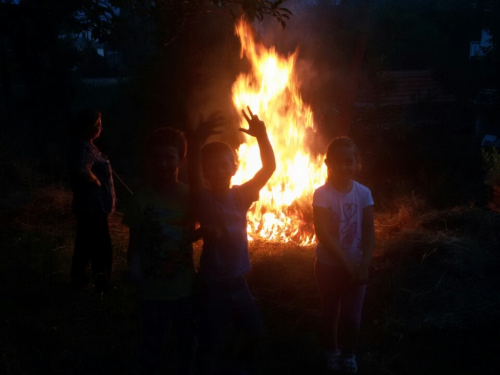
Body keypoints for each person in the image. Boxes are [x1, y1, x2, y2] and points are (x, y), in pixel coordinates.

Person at [188, 108, 276, 375]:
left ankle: (238, 367)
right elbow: (192, 171)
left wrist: (261, 135)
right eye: (211, 165)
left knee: (255, 332)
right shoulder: (202, 198)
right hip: (212, 286)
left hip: (239, 284)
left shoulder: (242, 195)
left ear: (234, 167)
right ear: (204, 170)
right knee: (209, 342)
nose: (218, 170)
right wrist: (196, 141)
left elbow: (269, 168)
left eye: (224, 164)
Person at [122, 127, 198, 375]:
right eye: (157, 157)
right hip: (152, 291)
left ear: (182, 161)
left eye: (170, 158)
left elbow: (197, 232)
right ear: (148, 160)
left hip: (185, 289)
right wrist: (133, 267)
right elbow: (135, 242)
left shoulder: (191, 197)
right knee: (152, 344)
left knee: (187, 344)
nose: (163, 164)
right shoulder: (140, 200)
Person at [312, 137, 375, 374]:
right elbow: (322, 233)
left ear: (356, 162)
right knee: (330, 313)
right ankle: (332, 350)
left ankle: (349, 354)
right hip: (328, 267)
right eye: (338, 162)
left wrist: (363, 265)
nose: (344, 167)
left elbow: (369, 231)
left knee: (352, 318)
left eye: (349, 161)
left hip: (356, 268)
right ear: (328, 164)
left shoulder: (364, 193)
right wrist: (344, 262)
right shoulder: (321, 194)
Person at [68, 108, 115, 294]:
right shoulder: (83, 147)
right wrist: (95, 181)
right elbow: (81, 169)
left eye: (100, 125)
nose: (100, 128)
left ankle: (82, 282)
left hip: (94, 207)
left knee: (86, 245)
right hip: (91, 207)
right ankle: (101, 285)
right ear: (86, 127)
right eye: (97, 125)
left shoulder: (89, 146)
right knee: (102, 247)